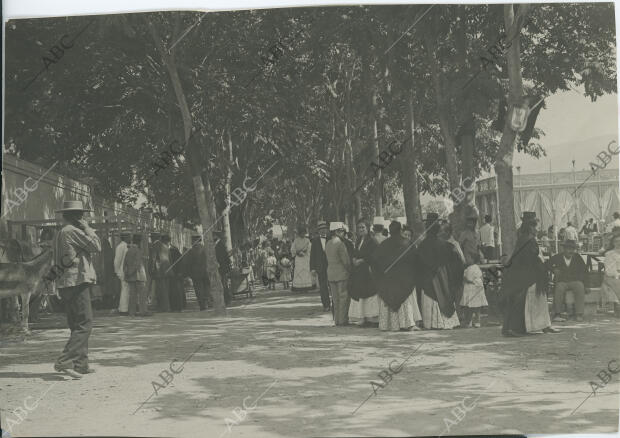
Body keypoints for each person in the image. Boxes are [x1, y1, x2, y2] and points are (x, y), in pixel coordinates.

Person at [52, 200, 101, 378]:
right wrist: (87, 228)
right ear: (74, 217)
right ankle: (64, 361)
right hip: (77, 281)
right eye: (80, 215)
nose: (83, 217)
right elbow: (97, 246)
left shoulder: (60, 233)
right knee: (85, 323)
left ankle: (81, 364)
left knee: (76, 324)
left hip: (65, 283)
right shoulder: (72, 231)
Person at [501, 212, 557, 337]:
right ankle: (519, 328)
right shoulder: (527, 240)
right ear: (530, 227)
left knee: (537, 298)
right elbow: (530, 259)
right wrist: (544, 266)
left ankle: (543, 324)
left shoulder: (525, 239)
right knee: (525, 300)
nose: (537, 229)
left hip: (526, 274)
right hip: (526, 275)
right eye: (535, 226)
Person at [371, 221, 422, 331]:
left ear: (390, 231)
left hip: (388, 278)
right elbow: (416, 260)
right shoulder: (407, 243)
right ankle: (407, 323)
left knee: (389, 298)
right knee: (405, 300)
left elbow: (374, 261)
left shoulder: (384, 244)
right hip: (404, 278)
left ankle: (387, 324)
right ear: (400, 230)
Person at [417, 213, 462, 330]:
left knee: (431, 295)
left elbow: (419, 263)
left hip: (428, 278)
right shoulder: (446, 245)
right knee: (443, 294)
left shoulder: (422, 245)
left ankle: (432, 322)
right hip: (442, 276)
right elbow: (457, 261)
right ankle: (445, 322)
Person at [458, 212, 488, 328]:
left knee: (477, 287)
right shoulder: (464, 234)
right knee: (467, 289)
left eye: (472, 222)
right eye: (468, 222)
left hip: (475, 262)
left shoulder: (476, 233)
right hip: (467, 262)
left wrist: (480, 253)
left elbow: (478, 246)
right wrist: (463, 259)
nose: (470, 224)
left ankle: (477, 318)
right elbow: (459, 247)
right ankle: (467, 317)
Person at [545, 239, 587, 322]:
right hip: (562, 281)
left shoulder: (577, 257)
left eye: (572, 249)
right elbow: (546, 265)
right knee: (559, 288)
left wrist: (586, 285)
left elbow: (585, 271)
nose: (570, 251)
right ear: (563, 249)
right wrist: (554, 269)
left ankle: (579, 314)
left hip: (574, 280)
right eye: (568, 249)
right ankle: (557, 314)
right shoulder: (557, 257)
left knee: (580, 286)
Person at [348, 219, 379, 326]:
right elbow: (355, 252)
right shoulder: (358, 240)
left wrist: (363, 260)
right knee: (361, 294)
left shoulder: (372, 241)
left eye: (363, 227)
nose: (361, 230)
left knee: (370, 294)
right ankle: (362, 317)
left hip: (368, 272)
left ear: (367, 228)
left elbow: (374, 255)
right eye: (359, 228)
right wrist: (354, 259)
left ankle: (372, 318)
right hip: (359, 272)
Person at [325, 222, 351, 326]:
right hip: (342, 273)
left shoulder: (328, 243)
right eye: (341, 231)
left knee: (335, 299)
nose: (343, 233)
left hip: (331, 273)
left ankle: (336, 320)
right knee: (343, 298)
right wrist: (350, 270)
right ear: (336, 232)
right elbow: (346, 261)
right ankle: (343, 320)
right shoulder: (340, 244)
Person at [123, 234, 150, 317]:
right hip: (138, 276)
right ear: (139, 242)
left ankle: (132, 312)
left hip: (131, 277)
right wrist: (132, 271)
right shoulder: (137, 250)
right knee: (142, 295)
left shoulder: (128, 250)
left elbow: (125, 264)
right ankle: (143, 311)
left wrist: (128, 273)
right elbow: (137, 263)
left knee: (132, 295)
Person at [310, 221, 330, 309]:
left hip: (331, 266)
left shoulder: (331, 238)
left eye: (324, 229)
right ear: (318, 231)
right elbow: (312, 255)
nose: (322, 231)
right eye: (320, 229)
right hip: (320, 267)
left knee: (332, 286)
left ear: (327, 229)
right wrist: (312, 268)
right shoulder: (314, 241)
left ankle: (335, 305)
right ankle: (326, 305)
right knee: (323, 287)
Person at [187, 235, 210, 310]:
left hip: (196, 273)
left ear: (195, 241)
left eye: (192, 241)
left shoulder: (191, 251)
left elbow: (189, 263)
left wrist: (189, 273)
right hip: (206, 272)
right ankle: (207, 302)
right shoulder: (206, 248)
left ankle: (202, 305)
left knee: (198, 289)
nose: (191, 242)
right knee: (206, 287)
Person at [291, 225, 314, 293]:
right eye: (301, 233)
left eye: (304, 233)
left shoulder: (307, 240)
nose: (303, 234)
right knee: (299, 271)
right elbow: (292, 249)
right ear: (299, 233)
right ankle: (299, 287)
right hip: (298, 258)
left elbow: (310, 248)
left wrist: (305, 252)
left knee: (306, 272)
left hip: (305, 257)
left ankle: (306, 287)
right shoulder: (296, 240)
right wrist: (297, 253)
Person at [602, 234, 620, 316]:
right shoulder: (609, 254)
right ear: (613, 243)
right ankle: (618, 307)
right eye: (616, 241)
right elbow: (609, 271)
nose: (619, 243)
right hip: (612, 277)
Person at [114, 232, 131, 316]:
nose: (130, 238)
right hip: (123, 271)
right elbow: (117, 260)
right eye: (129, 236)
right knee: (125, 289)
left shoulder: (126, 246)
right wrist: (117, 271)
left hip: (125, 271)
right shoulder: (121, 246)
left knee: (126, 289)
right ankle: (124, 310)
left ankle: (123, 308)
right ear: (125, 237)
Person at [214, 231, 232, 305]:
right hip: (222, 268)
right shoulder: (220, 245)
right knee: (223, 284)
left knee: (224, 284)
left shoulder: (219, 245)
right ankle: (226, 300)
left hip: (222, 268)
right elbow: (225, 258)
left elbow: (223, 257)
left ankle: (226, 300)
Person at [169, 240, 186, 311]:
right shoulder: (175, 250)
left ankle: (178, 306)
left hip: (176, 273)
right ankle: (178, 305)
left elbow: (179, 262)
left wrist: (179, 272)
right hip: (175, 273)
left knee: (177, 290)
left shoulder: (173, 251)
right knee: (177, 290)